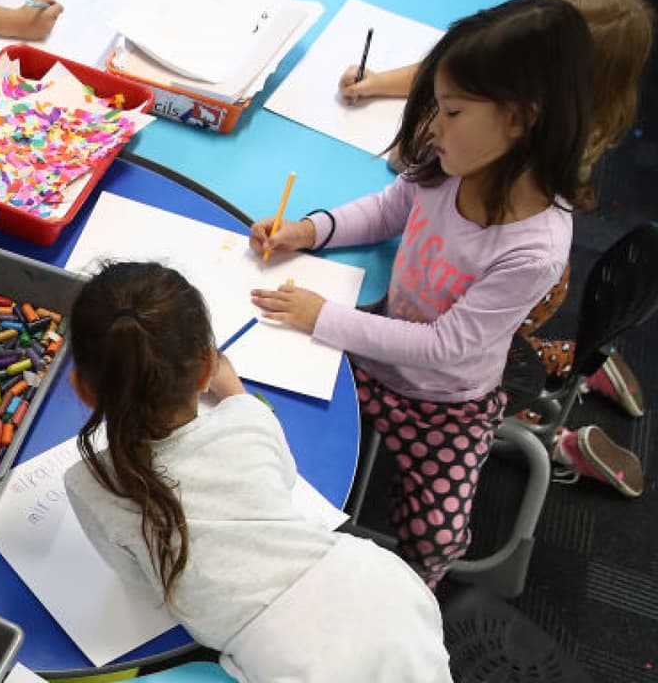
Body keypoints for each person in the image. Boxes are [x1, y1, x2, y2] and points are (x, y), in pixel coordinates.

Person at [249, 0, 596, 585]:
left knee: (437, 538)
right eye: (436, 106)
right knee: (279, 436)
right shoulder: (449, 162)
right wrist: (309, 231)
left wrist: (322, 316)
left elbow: (443, 346)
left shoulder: (535, 247)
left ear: (520, 119)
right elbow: (389, 209)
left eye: (453, 111)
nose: (433, 126)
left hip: (445, 401)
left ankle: (409, 594)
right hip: (371, 351)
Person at [63, 262, 451, 683]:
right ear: (207, 368)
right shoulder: (247, 420)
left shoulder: (89, 485)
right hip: (381, 589)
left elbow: (139, 583)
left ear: (83, 389)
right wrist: (233, 390)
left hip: (290, 651)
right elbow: (283, 477)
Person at [338, 0, 653, 429]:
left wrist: (433, 138)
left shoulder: (531, 193)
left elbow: (449, 343)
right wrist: (378, 84)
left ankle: (550, 410)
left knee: (488, 347)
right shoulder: (521, 112)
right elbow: (462, 72)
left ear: (529, 110)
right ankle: (573, 364)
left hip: (497, 294)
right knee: (486, 334)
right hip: (462, 287)